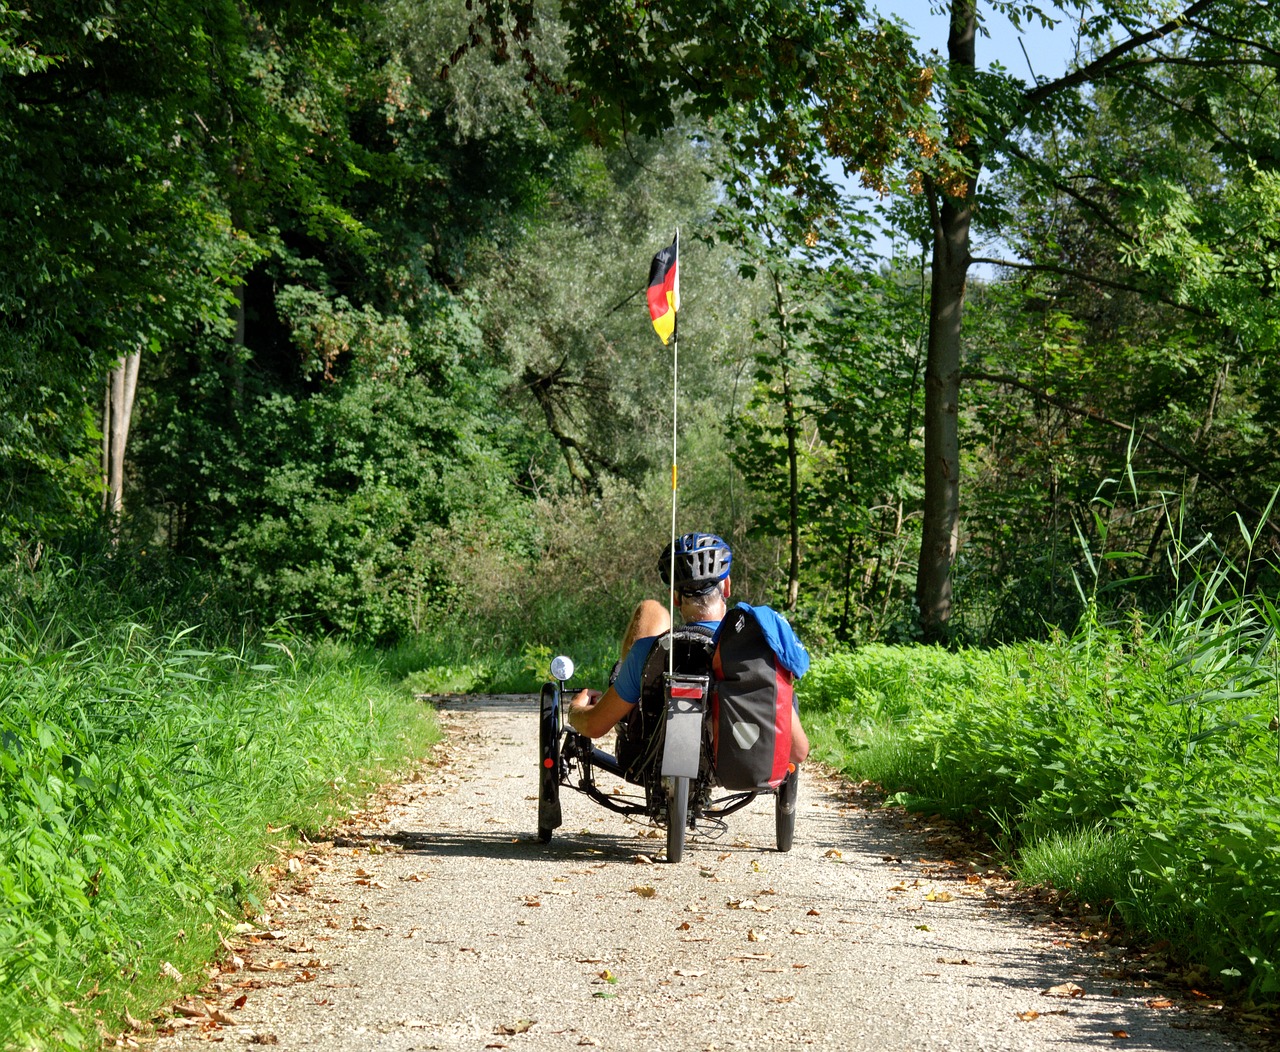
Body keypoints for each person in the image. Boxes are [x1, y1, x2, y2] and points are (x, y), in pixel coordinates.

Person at [567, 532, 810, 766]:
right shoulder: (754, 651)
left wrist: (575, 709)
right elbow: (798, 752)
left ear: (675, 597)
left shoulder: (646, 651)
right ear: (726, 587)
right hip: (735, 760)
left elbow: (593, 726)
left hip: (652, 763)